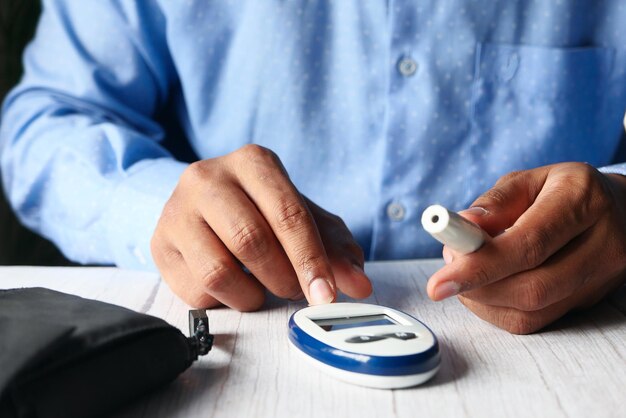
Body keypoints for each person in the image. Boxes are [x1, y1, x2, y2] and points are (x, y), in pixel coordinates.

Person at [2, 1, 626, 334]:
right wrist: (158, 205)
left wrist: (621, 200)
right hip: (258, 328)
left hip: (568, 340)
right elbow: (45, 120)